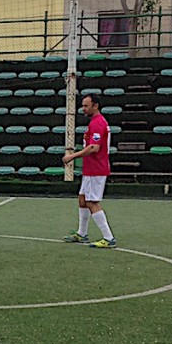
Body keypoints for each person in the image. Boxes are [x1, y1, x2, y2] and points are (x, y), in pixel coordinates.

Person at [62, 93, 117, 248]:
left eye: (86, 106)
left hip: (96, 169)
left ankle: (108, 238)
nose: (83, 109)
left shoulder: (98, 123)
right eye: (83, 105)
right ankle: (82, 233)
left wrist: (72, 156)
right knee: (82, 199)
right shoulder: (94, 122)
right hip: (90, 168)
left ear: (95, 106)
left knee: (92, 202)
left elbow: (94, 147)